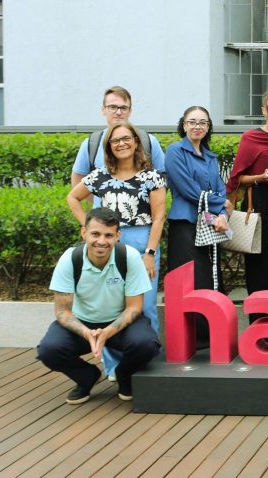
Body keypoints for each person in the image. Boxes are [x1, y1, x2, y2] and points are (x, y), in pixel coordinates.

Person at [65, 121, 165, 381]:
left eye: (126, 138)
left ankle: (145, 365)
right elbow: (72, 197)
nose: (121, 144)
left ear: (135, 142)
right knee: (111, 306)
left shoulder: (151, 176)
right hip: (109, 245)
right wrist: (88, 228)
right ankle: (113, 367)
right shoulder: (100, 175)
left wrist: (150, 253)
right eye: (115, 140)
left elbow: (159, 217)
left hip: (143, 242)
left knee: (146, 306)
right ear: (109, 146)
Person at [37, 208, 161, 404]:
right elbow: (62, 311)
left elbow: (135, 308)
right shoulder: (70, 259)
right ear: (84, 232)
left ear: (118, 236)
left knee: (147, 344)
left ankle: (124, 375)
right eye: (95, 234)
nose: (101, 241)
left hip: (120, 322)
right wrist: (87, 333)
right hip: (82, 324)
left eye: (108, 235)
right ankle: (86, 377)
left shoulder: (128, 257)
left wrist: (107, 332)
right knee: (49, 350)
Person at [225, 89, 268, 324]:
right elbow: (236, 179)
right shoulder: (251, 138)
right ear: (263, 110)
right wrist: (259, 178)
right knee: (260, 265)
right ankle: (259, 325)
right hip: (260, 204)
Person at [165, 106, 227, 347]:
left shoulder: (211, 157)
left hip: (211, 226)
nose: (197, 126)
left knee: (210, 277)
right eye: (192, 122)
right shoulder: (175, 152)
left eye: (202, 122)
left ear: (209, 127)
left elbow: (221, 189)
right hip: (186, 225)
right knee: (190, 279)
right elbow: (188, 189)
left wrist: (222, 213)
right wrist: (222, 204)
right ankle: (192, 337)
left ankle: (212, 334)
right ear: (183, 125)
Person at [71, 86, 166, 197]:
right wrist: (97, 204)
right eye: (113, 107)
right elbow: (78, 178)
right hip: (103, 214)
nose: (118, 112)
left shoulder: (148, 141)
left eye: (123, 108)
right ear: (103, 110)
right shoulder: (91, 143)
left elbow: (163, 177)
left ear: (130, 111)